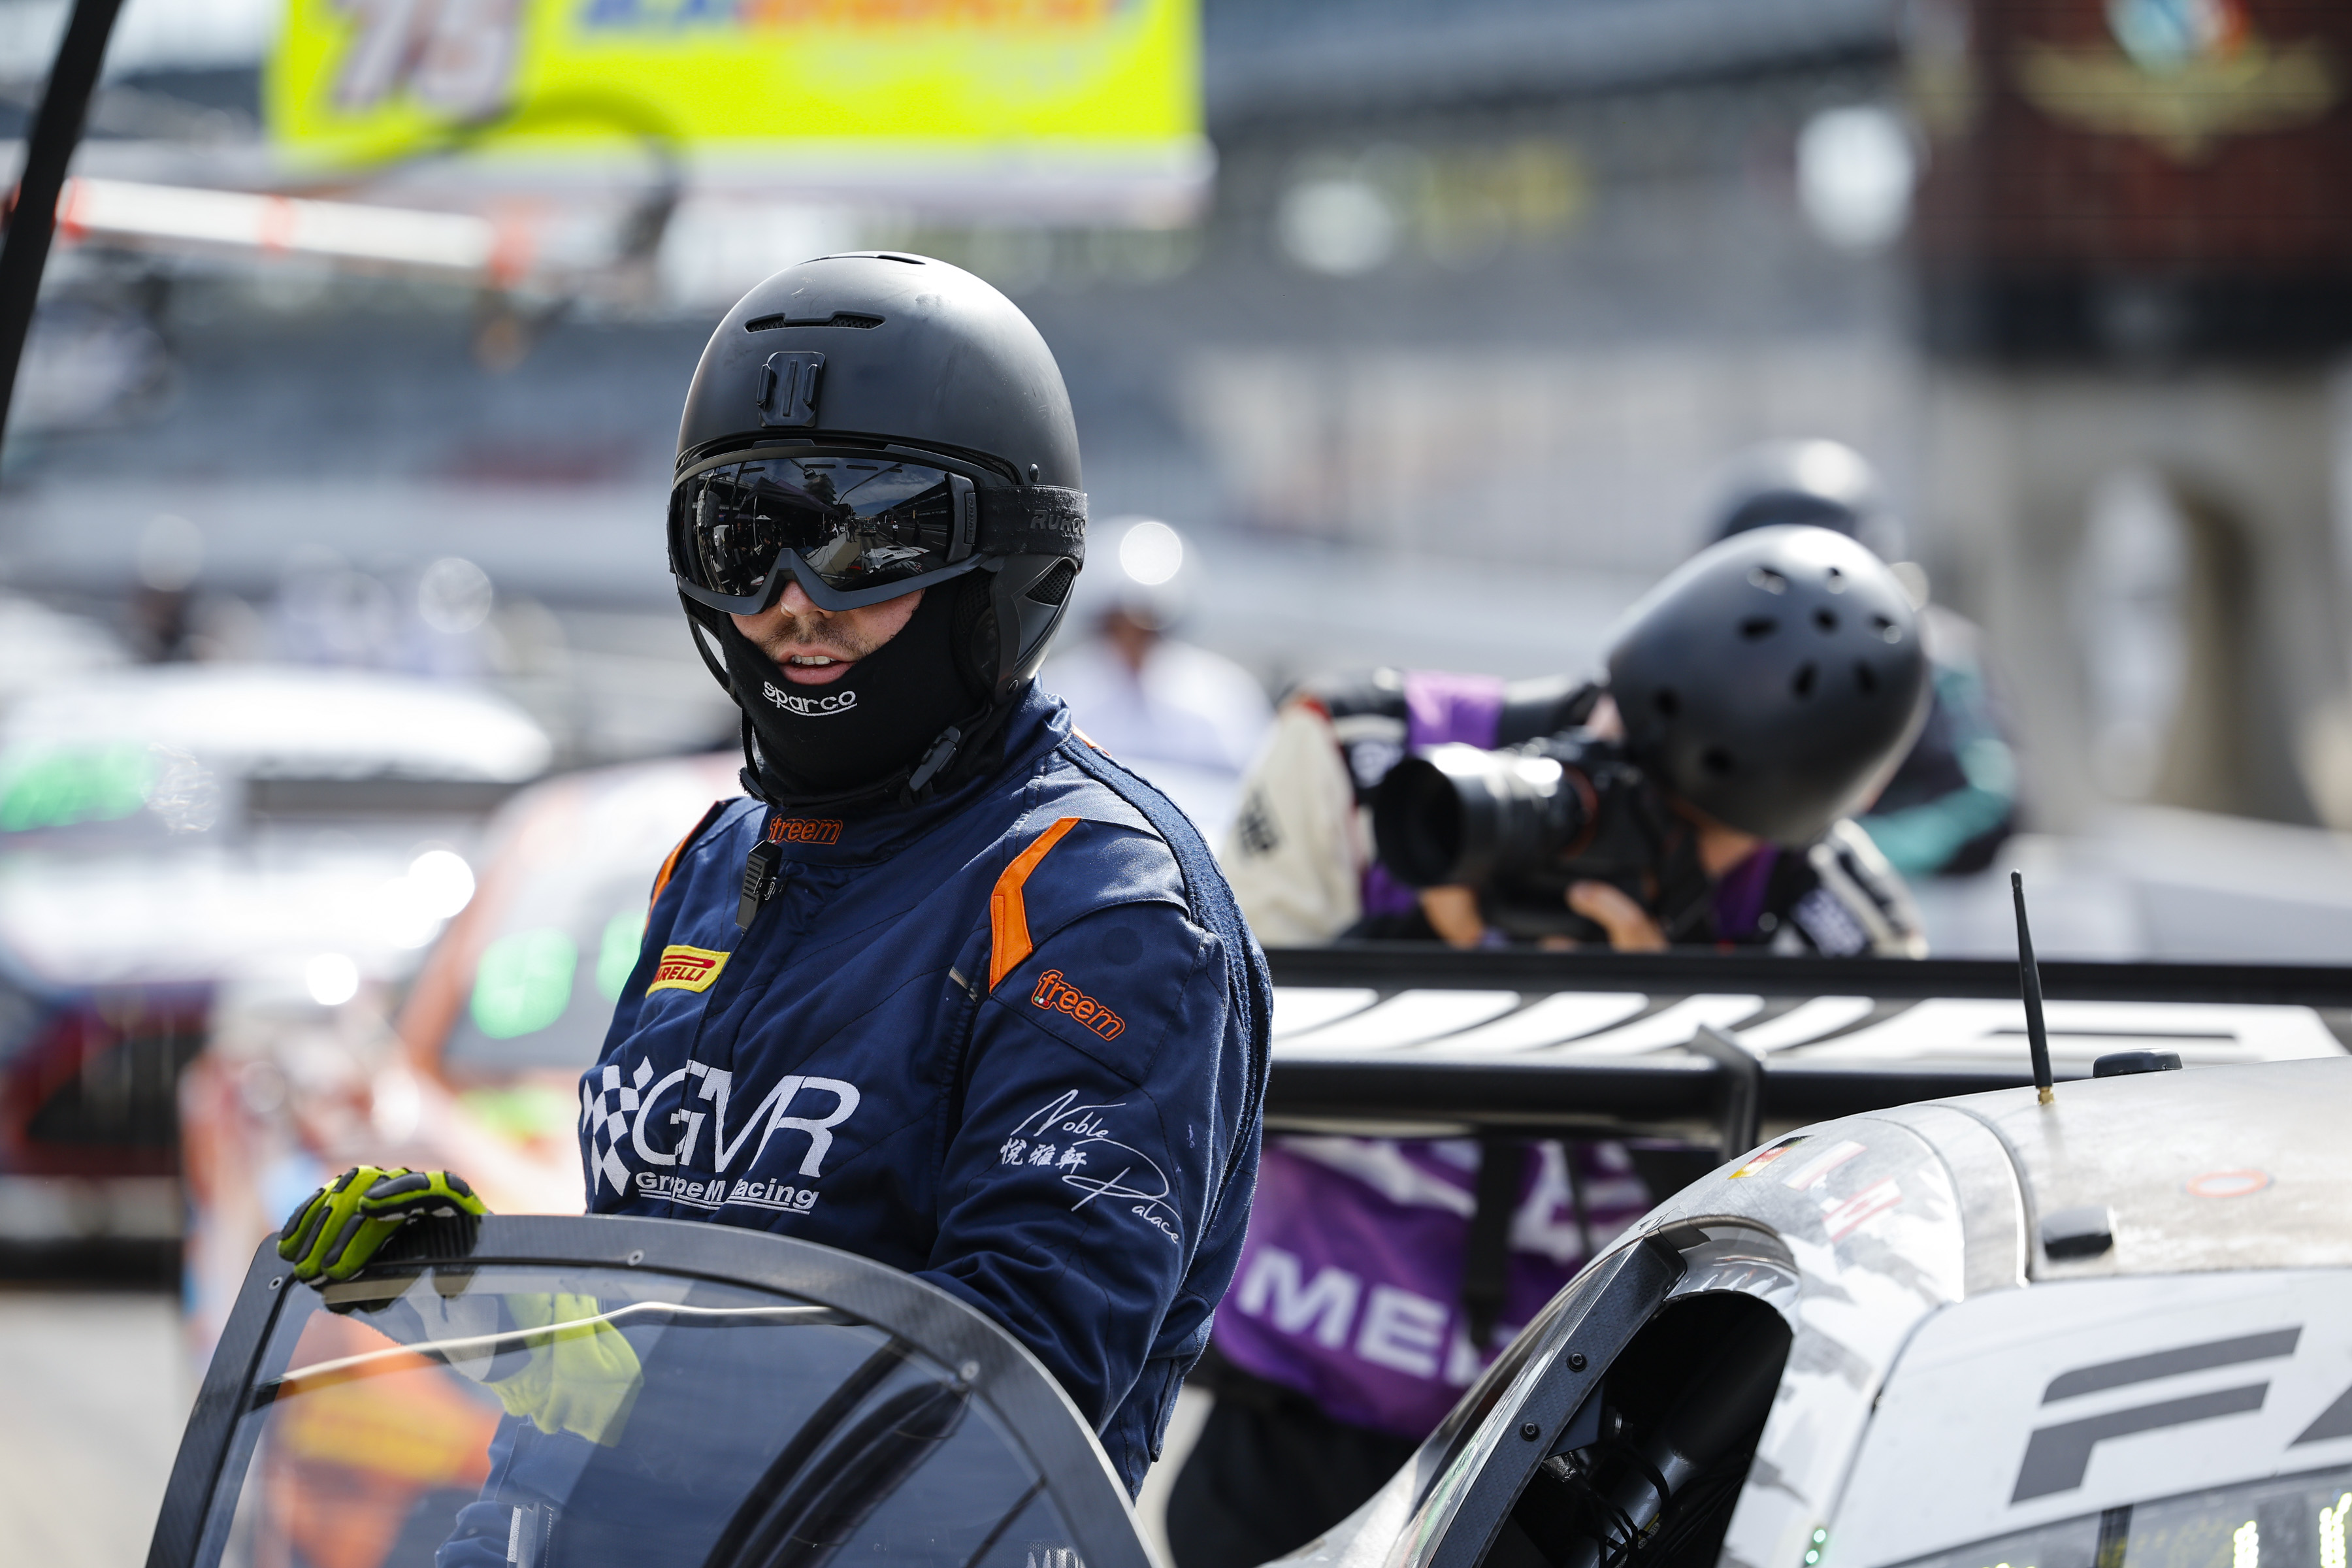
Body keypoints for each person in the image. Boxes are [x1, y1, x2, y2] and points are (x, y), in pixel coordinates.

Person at [275, 255, 1272, 1512]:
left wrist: (568, 1356)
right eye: (741, 542)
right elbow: (629, 1334)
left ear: (1006, 560)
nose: (794, 601)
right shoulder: (714, 862)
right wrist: (493, 1316)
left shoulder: (1098, 906)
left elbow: (993, 1423)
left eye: (867, 542)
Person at [1173, 525, 1929, 1568]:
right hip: (1297, 1426)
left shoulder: (1840, 929)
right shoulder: (1365, 757)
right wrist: (1420, 940)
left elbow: (1834, 1243)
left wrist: (1672, 1020)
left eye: (1689, 824)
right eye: (1626, 761)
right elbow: (1202, 1066)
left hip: (1591, 1469)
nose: (1630, 828)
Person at [1710, 439, 2019, 880]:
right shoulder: (1720, 667)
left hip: (1909, 894)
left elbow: (1985, 804)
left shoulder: (1938, 657)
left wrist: (1837, 858)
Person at [1043, 518, 1273, 841]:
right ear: (1101, 621)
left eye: (1149, 623)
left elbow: (1258, 793)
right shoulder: (1059, 693)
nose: (1135, 635)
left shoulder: (1227, 697)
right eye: (1122, 622)